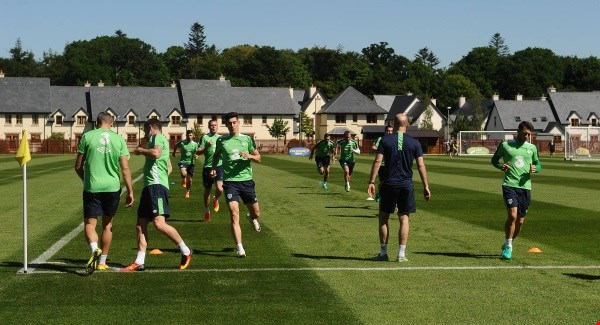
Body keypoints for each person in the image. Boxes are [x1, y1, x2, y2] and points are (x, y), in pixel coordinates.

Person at [123, 118, 192, 272]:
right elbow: (169, 166)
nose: (145, 134)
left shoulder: (157, 138)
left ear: (150, 128)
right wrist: (160, 178)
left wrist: (141, 151)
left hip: (155, 187)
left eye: (146, 131)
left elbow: (156, 153)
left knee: (159, 223)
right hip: (151, 186)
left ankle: (186, 251)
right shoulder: (158, 140)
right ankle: (139, 261)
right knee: (141, 224)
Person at [75, 112, 134, 274]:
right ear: (112, 123)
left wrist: (86, 180)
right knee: (108, 225)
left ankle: (95, 249)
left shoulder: (87, 137)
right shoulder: (119, 139)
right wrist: (130, 191)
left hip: (92, 187)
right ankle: (102, 262)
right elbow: (125, 168)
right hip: (112, 188)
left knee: (89, 225)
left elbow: (78, 166)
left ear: (96, 123)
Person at [367, 113, 431, 262]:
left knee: (383, 217)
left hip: (389, 183)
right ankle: (401, 255)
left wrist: (371, 181)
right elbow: (421, 165)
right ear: (407, 125)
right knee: (404, 218)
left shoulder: (385, 140)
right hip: (406, 184)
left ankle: (383, 253)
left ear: (394, 125)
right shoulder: (415, 143)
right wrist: (426, 186)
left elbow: (377, 162)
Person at [211, 112, 262, 258]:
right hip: (230, 182)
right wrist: (214, 168)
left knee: (256, 213)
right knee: (234, 214)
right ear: (226, 124)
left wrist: (250, 156)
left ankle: (252, 218)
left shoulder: (247, 139)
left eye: (234, 122)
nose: (232, 125)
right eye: (229, 123)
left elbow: (259, 158)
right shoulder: (221, 141)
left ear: (238, 123)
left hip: (246, 181)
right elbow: (216, 155)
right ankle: (240, 247)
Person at [491, 120, 541, 260]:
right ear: (518, 131)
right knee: (512, 216)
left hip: (525, 187)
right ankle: (508, 247)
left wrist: (535, 168)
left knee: (520, 221)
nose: (526, 136)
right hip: (509, 184)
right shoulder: (506, 145)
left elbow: (538, 164)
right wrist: (501, 166)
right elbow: (494, 160)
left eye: (529, 134)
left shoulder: (532, 148)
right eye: (524, 133)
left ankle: (509, 241)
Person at [196, 119, 224, 221]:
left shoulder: (220, 138)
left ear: (217, 126)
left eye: (215, 125)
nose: (213, 127)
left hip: (219, 166)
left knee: (220, 189)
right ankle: (207, 209)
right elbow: (198, 152)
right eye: (211, 125)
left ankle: (216, 199)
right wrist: (206, 146)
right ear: (209, 127)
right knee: (207, 190)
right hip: (208, 167)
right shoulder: (205, 137)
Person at [172, 130, 199, 199]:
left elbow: (196, 152)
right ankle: (183, 178)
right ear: (186, 136)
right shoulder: (182, 143)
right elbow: (175, 146)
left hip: (191, 163)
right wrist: (174, 152)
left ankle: (187, 191)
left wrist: (196, 155)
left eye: (190, 135)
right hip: (183, 161)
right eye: (187, 135)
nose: (189, 136)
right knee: (183, 173)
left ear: (193, 136)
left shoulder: (195, 144)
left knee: (189, 180)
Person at [370, 125, 394, 201]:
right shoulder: (381, 139)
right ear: (385, 131)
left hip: (392, 164)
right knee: (383, 183)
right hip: (382, 165)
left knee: (393, 183)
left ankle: (394, 203)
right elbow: (374, 147)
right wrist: (381, 149)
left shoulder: (394, 139)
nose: (390, 132)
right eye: (388, 131)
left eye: (391, 131)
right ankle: (380, 192)